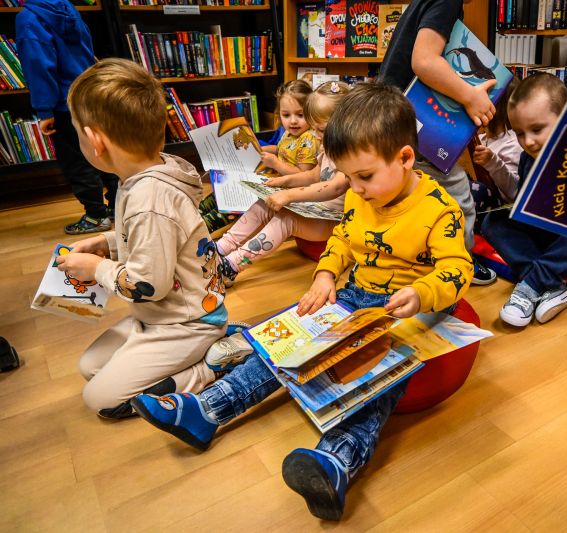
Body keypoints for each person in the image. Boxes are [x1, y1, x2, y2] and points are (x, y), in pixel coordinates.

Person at [130, 83, 474, 521]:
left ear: (405, 158)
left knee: (376, 379)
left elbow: (457, 270)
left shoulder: (440, 211)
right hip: (356, 297)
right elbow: (342, 242)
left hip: (409, 309)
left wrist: (422, 293)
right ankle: (208, 408)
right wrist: (326, 273)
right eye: (349, 178)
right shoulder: (358, 192)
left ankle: (338, 460)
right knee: (287, 345)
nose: (357, 189)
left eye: (365, 177)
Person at [55, 58, 228, 419]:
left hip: (185, 324)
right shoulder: (146, 172)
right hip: (158, 317)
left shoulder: (149, 199)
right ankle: (189, 355)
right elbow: (158, 238)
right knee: (91, 367)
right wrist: (108, 242)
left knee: (100, 399)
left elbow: (148, 284)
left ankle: (214, 365)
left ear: (94, 141)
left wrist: (98, 268)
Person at [378, 0, 496, 283]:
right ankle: (460, 266)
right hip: (413, 122)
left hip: (391, 116)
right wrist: (470, 96)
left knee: (405, 196)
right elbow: (425, 61)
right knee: (457, 199)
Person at [481, 73, 567, 327]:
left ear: (566, 119)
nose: (528, 142)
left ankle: (534, 282)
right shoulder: (528, 157)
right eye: (519, 133)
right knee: (493, 221)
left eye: (537, 130)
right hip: (549, 241)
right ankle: (552, 285)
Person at [214, 81, 349, 287]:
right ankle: (221, 247)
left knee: (286, 219)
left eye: (320, 130)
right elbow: (314, 175)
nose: (315, 135)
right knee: (263, 203)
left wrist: (289, 195)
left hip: (333, 223)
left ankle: (230, 267)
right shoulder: (327, 146)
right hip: (315, 211)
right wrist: (282, 182)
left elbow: (335, 187)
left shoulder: (351, 155)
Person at [16, 0, 117, 235]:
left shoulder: (28, 17)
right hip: (90, 93)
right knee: (103, 151)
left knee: (76, 161)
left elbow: (38, 65)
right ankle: (117, 205)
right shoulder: (68, 8)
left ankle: (95, 215)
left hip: (65, 101)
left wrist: (44, 110)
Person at [470, 77, 522, 225]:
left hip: (496, 211)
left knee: (475, 191)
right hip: (473, 198)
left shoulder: (514, 144)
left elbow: (513, 193)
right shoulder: (480, 137)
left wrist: (493, 162)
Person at [258, 79, 319, 178]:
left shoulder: (308, 139)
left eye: (300, 115)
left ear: (312, 112)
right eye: (286, 115)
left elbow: (303, 175)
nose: (293, 121)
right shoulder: (289, 132)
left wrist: (275, 163)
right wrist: (260, 150)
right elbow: (281, 150)